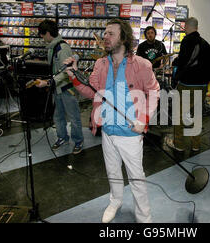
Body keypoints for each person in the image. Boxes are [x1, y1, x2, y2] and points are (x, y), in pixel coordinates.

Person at [64, 18, 160, 223]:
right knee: (113, 173)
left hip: (131, 134)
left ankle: (144, 217)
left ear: (123, 38)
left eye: (111, 34)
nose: (105, 37)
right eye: (105, 33)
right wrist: (73, 74)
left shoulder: (142, 64)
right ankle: (115, 201)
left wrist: (144, 119)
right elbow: (91, 92)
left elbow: (154, 92)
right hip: (107, 131)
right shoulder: (101, 64)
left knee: (136, 178)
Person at [35, 20, 84, 154]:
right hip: (57, 89)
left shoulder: (62, 49)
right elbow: (56, 70)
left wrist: (49, 82)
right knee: (58, 116)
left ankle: (78, 141)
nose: (41, 37)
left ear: (48, 33)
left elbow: (66, 72)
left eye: (42, 34)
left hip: (67, 89)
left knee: (74, 117)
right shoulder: (52, 47)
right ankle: (62, 137)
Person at [166, 17, 210, 153]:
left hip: (187, 84)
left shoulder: (187, 40)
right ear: (197, 27)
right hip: (203, 85)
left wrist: (176, 72)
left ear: (186, 27)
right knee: (196, 114)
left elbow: (183, 61)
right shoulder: (206, 44)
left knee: (179, 114)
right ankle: (196, 145)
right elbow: (208, 66)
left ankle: (179, 144)